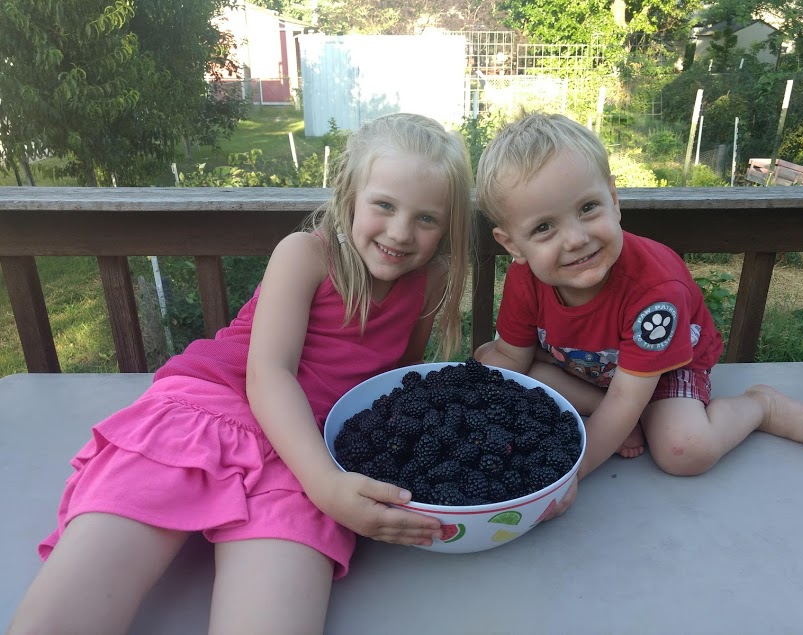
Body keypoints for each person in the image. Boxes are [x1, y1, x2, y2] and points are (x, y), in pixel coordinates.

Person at [9, 112, 475, 635]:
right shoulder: (305, 255)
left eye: (426, 219)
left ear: (447, 226)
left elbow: (394, 389)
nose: (400, 232)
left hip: (304, 455)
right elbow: (269, 374)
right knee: (60, 618)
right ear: (349, 193)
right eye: (384, 205)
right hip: (206, 416)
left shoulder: (429, 285)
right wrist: (327, 486)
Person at [473, 111, 803, 515]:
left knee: (684, 451)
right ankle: (620, 417)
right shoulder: (527, 279)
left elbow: (629, 396)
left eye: (588, 208)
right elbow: (511, 358)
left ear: (613, 200)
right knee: (493, 365)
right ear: (513, 246)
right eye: (544, 228)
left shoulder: (655, 290)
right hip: (592, 370)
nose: (576, 239)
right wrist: (480, 371)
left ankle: (759, 406)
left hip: (664, 370)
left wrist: (567, 477)